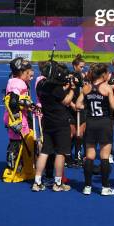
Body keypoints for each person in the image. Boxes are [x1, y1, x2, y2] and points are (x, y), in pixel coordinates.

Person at [32, 61, 75, 192]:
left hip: (47, 121)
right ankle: (57, 183)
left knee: (45, 151)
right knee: (60, 153)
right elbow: (66, 101)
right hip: (60, 122)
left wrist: (63, 86)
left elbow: (56, 93)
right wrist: (72, 89)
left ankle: (37, 182)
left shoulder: (40, 85)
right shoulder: (55, 88)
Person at [76, 63, 114, 196]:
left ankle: (87, 186)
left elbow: (77, 104)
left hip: (91, 123)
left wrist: (87, 107)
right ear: (103, 74)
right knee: (104, 157)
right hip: (104, 123)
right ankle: (105, 188)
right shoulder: (106, 88)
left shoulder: (86, 88)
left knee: (90, 156)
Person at [2, 57, 35, 182]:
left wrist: (29, 105)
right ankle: (11, 171)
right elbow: (13, 101)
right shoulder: (18, 83)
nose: (31, 75)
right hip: (16, 119)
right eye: (29, 73)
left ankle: (21, 169)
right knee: (16, 144)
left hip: (20, 117)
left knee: (20, 143)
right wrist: (16, 121)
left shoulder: (16, 81)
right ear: (22, 73)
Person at [68, 55, 86, 166]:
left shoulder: (83, 76)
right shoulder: (69, 77)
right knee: (71, 134)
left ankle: (78, 155)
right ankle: (67, 156)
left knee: (80, 135)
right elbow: (65, 94)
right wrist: (72, 105)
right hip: (71, 109)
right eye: (81, 66)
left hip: (81, 109)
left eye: (83, 66)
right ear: (75, 66)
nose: (82, 68)